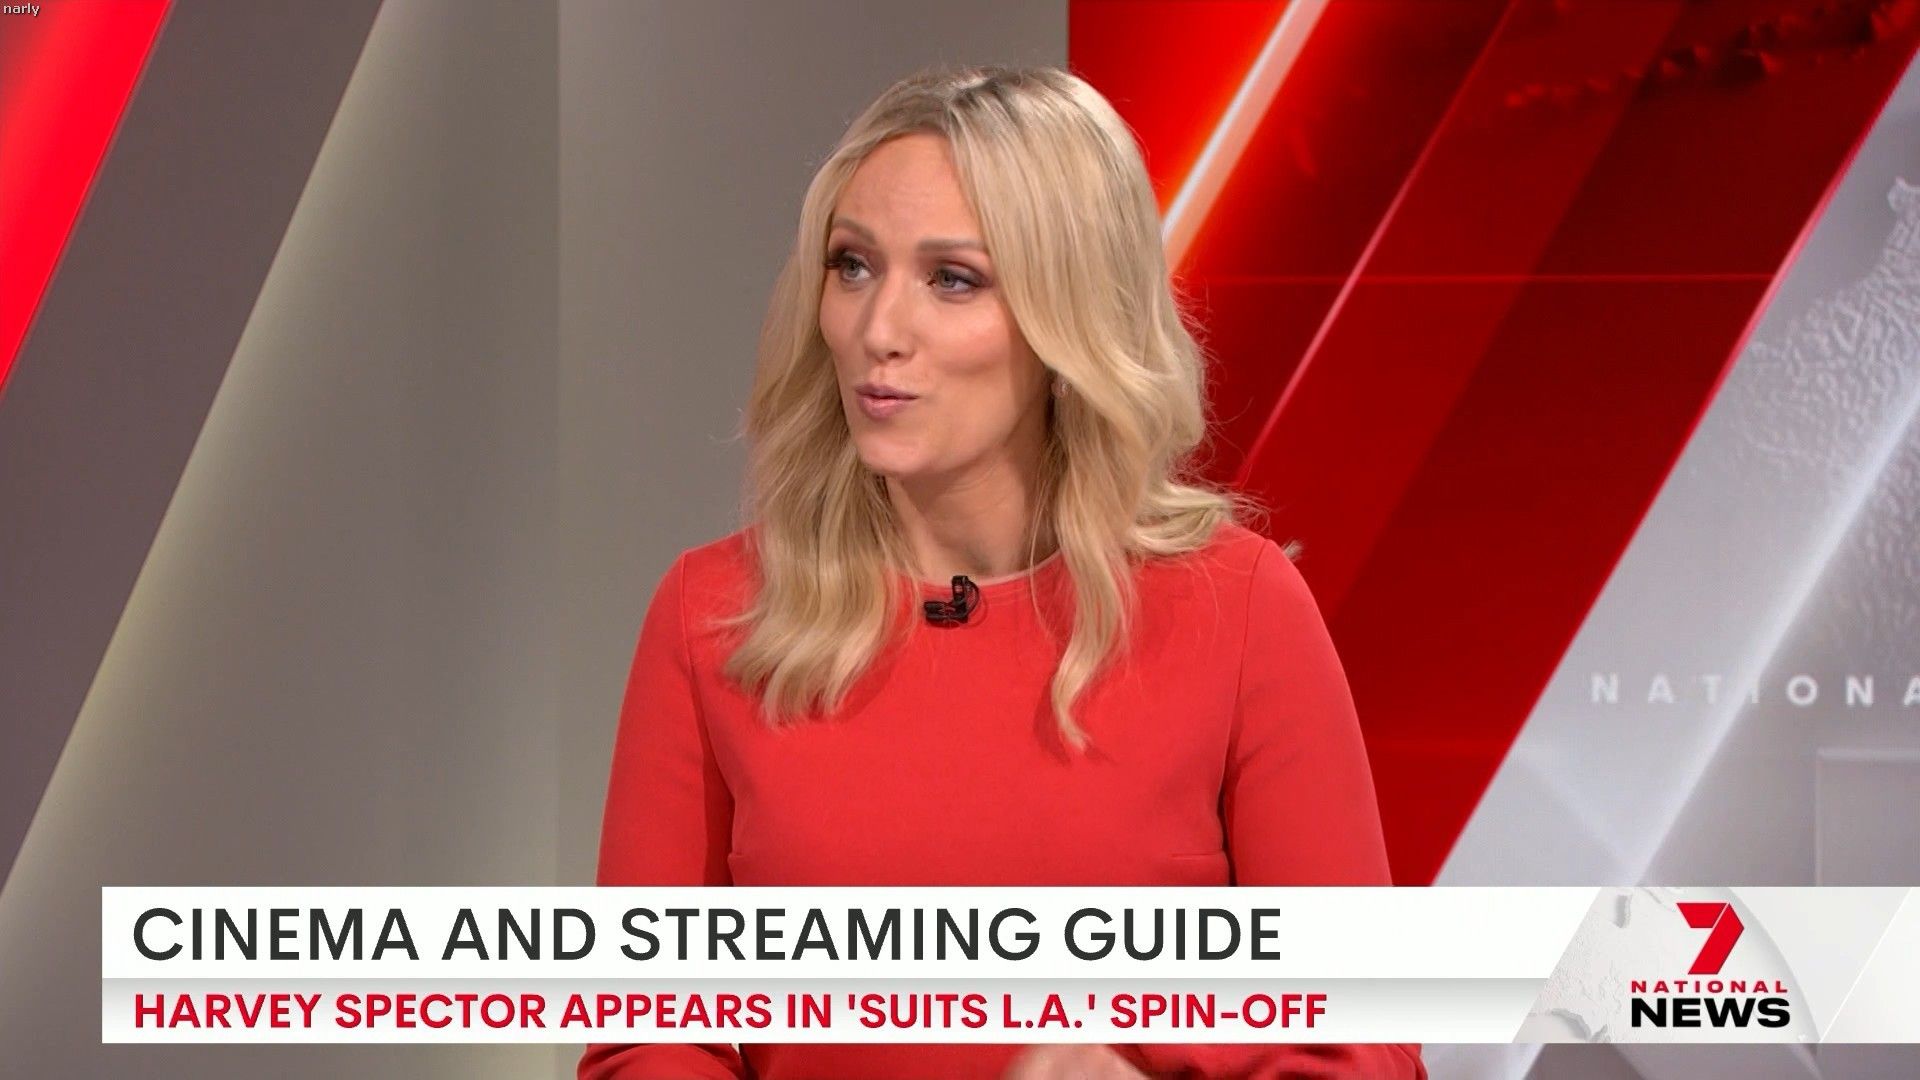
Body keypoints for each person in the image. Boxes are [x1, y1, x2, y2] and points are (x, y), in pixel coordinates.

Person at [579, 64, 1425, 1080]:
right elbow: (648, 1039)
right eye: (853, 266)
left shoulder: (1238, 611)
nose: (878, 331)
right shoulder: (714, 615)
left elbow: (1362, 1047)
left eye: (953, 279)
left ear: (1070, 318)